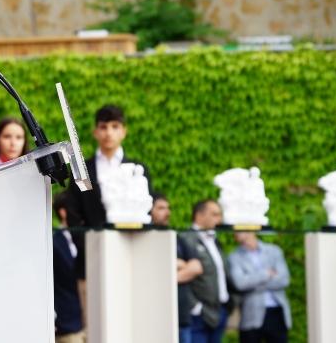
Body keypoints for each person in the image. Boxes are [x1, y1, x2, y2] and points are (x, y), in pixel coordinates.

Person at [66, 104, 152, 229]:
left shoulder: (137, 170)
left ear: (123, 131)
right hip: (92, 239)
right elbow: (73, 214)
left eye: (115, 126)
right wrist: (85, 241)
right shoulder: (82, 170)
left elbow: (145, 208)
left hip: (131, 238)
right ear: (95, 132)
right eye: (103, 127)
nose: (109, 133)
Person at [151, 193, 204, 343]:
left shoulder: (176, 237)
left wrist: (166, 275)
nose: (167, 212)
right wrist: (176, 264)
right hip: (157, 317)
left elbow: (196, 267)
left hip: (182, 316)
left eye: (168, 208)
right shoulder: (144, 237)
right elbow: (149, 270)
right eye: (161, 208)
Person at [179, 199, 233, 343]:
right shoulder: (185, 238)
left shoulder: (214, 240)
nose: (219, 219)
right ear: (199, 215)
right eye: (214, 214)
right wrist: (196, 307)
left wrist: (230, 303)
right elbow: (179, 277)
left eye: (220, 215)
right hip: (199, 315)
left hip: (220, 310)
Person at [228, 232, 292, 343]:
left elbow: (284, 280)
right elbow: (240, 284)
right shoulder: (234, 257)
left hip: (276, 313)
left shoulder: (274, 251)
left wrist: (252, 282)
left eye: (239, 229)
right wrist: (266, 274)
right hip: (251, 314)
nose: (235, 232)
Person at [52, 191, 85, 343]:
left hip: (90, 321)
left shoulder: (85, 240)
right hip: (68, 327)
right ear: (63, 212)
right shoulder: (53, 244)